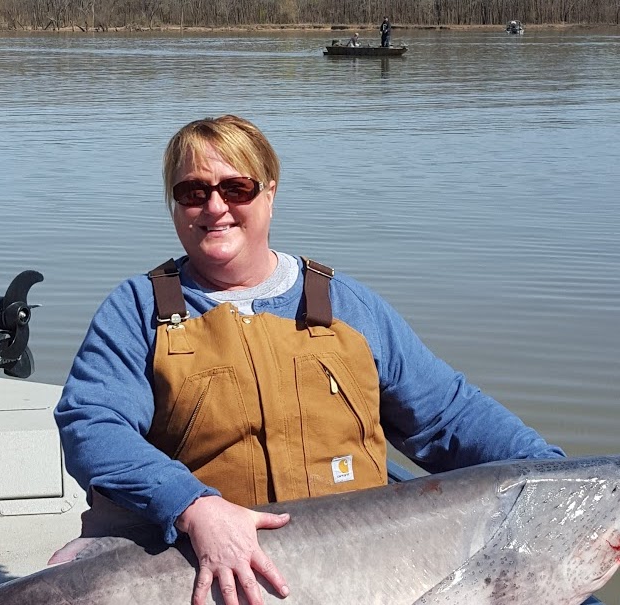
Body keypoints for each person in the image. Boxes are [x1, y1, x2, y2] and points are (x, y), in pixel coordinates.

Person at [50, 115, 567, 605]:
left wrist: (558, 477)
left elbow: (448, 417)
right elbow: (92, 423)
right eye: (193, 192)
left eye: (237, 188)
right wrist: (193, 505)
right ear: (175, 205)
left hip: (364, 568)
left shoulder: (349, 305)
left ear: (270, 194)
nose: (215, 207)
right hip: (204, 570)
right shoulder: (136, 310)